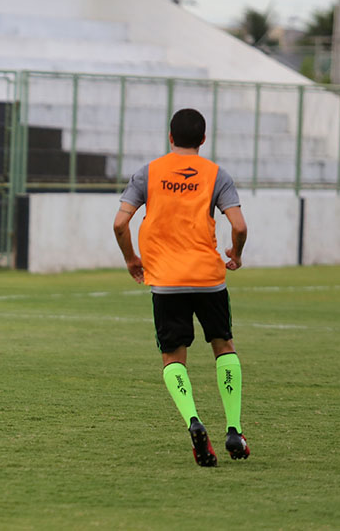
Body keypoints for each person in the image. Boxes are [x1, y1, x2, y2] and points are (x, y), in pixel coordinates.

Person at [113, 108, 249, 467]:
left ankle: (193, 421)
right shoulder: (217, 175)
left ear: (170, 137)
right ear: (203, 139)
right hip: (208, 278)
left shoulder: (149, 173)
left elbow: (119, 223)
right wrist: (236, 252)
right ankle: (234, 428)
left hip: (166, 280)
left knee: (173, 357)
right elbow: (239, 225)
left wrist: (131, 258)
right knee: (224, 345)